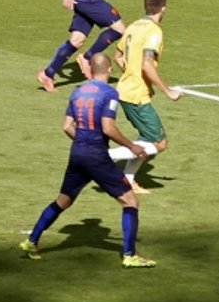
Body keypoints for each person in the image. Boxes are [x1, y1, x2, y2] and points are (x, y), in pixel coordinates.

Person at [19, 53, 157, 268]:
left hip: (77, 153)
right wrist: (132, 146)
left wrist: (83, 141)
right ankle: (130, 255)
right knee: (131, 202)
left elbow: (67, 126)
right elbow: (108, 128)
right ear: (109, 69)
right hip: (97, 156)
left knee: (63, 201)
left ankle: (31, 241)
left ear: (90, 70)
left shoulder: (78, 91)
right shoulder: (110, 93)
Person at [106, 0, 183, 194]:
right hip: (136, 95)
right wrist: (168, 91)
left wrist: (130, 72)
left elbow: (118, 56)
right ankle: (105, 157)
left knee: (145, 138)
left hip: (126, 90)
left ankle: (128, 180)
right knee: (160, 142)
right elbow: (147, 64)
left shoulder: (133, 27)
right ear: (163, 9)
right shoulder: (154, 31)